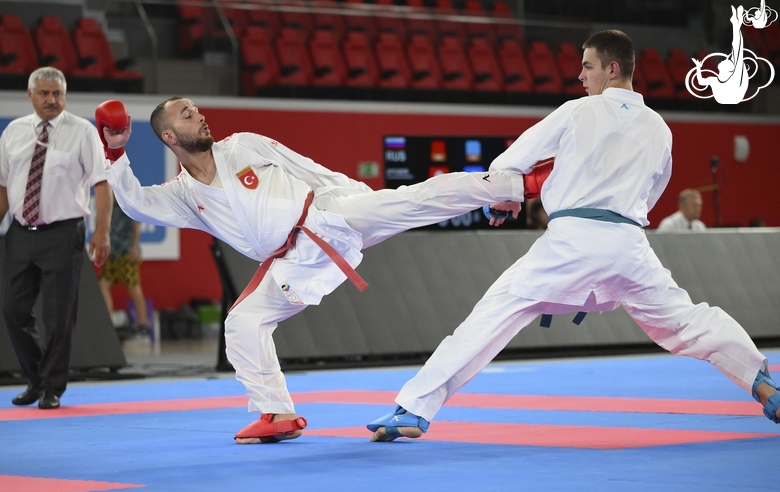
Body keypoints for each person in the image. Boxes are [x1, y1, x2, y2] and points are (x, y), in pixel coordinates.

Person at [366, 30, 779, 442]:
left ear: (612, 68)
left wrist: (507, 200)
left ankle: (414, 410)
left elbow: (510, 161)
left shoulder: (577, 112)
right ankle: (762, 382)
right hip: (628, 245)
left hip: (570, 242)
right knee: (687, 321)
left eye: (588, 66)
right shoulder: (660, 129)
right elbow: (653, 193)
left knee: (491, 317)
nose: (581, 76)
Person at [97, 96, 526, 443]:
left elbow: (307, 168)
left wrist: (352, 195)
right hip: (293, 260)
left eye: (198, 108)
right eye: (188, 115)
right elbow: (135, 202)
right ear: (170, 135)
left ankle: (508, 186)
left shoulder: (242, 145)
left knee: (410, 201)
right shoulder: (185, 195)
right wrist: (115, 151)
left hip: (328, 215)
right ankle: (276, 412)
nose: (201, 116)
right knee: (242, 322)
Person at [0, 67, 112, 410]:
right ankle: (36, 379)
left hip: (64, 232)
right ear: (31, 94)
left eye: (58, 94)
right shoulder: (13, 132)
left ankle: (51, 387)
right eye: (45, 93)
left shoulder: (83, 132)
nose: (52, 100)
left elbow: (101, 184)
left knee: (58, 315)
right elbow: (4, 187)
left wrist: (102, 232)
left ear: (65, 95)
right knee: (12, 310)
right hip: (20, 231)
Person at [99, 197, 149, 341]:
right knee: (103, 285)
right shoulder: (108, 206)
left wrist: (134, 248)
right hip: (112, 253)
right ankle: (108, 321)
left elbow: (136, 226)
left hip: (126, 253)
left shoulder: (127, 204)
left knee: (133, 287)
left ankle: (143, 325)